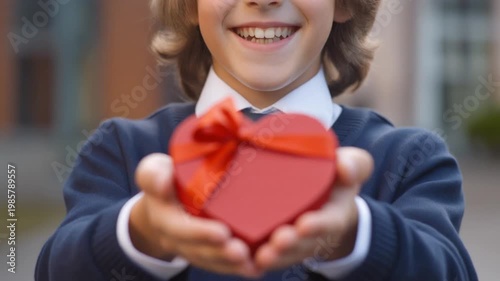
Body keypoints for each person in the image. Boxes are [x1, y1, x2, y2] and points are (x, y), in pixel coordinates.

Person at [36, 0, 478, 280]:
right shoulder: (120, 152)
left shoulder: (410, 160)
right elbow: (55, 270)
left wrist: (356, 234)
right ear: (189, 5)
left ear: (344, 4)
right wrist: (144, 232)